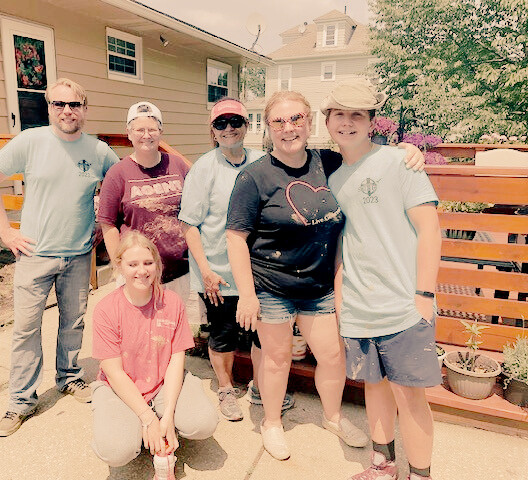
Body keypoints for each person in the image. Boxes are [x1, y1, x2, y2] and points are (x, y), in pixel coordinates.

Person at [225, 90, 425, 460]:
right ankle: (271, 422)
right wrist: (248, 294)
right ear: (267, 127)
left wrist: (405, 151)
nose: (289, 128)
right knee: (276, 357)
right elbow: (236, 238)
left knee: (332, 356)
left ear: (309, 121)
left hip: (319, 285)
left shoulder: (328, 162)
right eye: (279, 121)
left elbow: (366, 157)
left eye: (297, 119)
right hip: (272, 286)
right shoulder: (253, 177)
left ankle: (332, 416)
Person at [0, 78, 119, 437]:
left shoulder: (99, 150)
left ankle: (69, 378)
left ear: (85, 109)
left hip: (78, 255)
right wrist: (6, 233)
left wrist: (105, 220)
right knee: (26, 330)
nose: (67, 111)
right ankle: (20, 402)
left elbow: (119, 187)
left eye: (74, 104)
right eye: (59, 104)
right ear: (49, 108)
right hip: (35, 255)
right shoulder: (31, 142)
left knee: (73, 323)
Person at [325, 81, 441, 480]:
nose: (347, 122)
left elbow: (430, 229)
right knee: (373, 388)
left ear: (373, 121)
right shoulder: (333, 179)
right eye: (339, 113)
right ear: (327, 121)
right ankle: (382, 466)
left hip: (403, 304)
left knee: (410, 398)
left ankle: (420, 475)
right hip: (358, 306)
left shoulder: (399, 163)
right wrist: (341, 300)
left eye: (357, 114)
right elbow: (343, 243)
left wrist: (423, 295)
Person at [179, 97, 294, 422]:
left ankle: (260, 387)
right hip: (218, 273)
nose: (229, 129)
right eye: (221, 123)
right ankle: (226, 388)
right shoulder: (204, 167)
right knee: (223, 334)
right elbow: (189, 223)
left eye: (236, 122)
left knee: (263, 333)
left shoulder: (264, 161)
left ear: (247, 126)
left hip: (260, 271)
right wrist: (205, 269)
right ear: (213, 131)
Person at [90, 231, 218, 470]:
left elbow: (176, 358)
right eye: (133, 264)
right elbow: (114, 372)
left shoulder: (171, 302)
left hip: (161, 381)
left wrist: (168, 415)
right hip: (119, 388)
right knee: (116, 451)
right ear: (120, 266)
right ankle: (136, 425)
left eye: (148, 263)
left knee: (203, 423)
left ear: (157, 265)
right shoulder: (106, 310)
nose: (142, 271)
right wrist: (147, 418)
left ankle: (162, 421)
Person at [97, 101, 198, 322]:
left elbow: (196, 210)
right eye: (139, 129)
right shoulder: (118, 173)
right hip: (138, 273)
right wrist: (120, 266)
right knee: (140, 333)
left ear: (160, 131)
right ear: (129, 133)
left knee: (173, 330)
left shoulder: (178, 165)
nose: (146, 135)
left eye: (152, 129)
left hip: (179, 270)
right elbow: (108, 224)